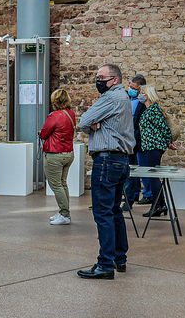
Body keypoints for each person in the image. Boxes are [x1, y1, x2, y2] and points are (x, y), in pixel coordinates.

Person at [76, 63, 135, 279]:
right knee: (114, 210)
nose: (97, 80)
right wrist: (93, 124)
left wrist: (91, 124)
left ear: (114, 80)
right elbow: (90, 122)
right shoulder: (124, 98)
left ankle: (105, 264)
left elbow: (83, 120)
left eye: (101, 76)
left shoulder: (111, 98)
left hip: (107, 159)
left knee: (103, 213)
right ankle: (120, 258)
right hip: (120, 160)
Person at [39, 88, 77, 226]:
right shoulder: (71, 114)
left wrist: (41, 133)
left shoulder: (54, 116)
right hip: (68, 153)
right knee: (63, 183)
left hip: (55, 155)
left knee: (56, 185)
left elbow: (44, 134)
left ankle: (65, 214)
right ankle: (63, 212)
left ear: (54, 101)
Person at [138, 85, 173, 218]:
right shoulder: (148, 110)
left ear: (147, 95)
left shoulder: (154, 109)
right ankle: (160, 204)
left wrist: (169, 141)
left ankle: (158, 205)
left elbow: (164, 128)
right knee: (152, 176)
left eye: (142, 92)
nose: (140, 95)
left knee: (153, 176)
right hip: (149, 146)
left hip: (154, 147)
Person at [124, 73, 148, 208]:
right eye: (130, 86)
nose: (130, 89)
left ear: (140, 89)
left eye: (134, 87)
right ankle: (130, 196)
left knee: (134, 170)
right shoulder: (125, 97)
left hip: (136, 139)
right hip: (126, 139)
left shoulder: (143, 101)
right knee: (129, 170)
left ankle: (132, 197)